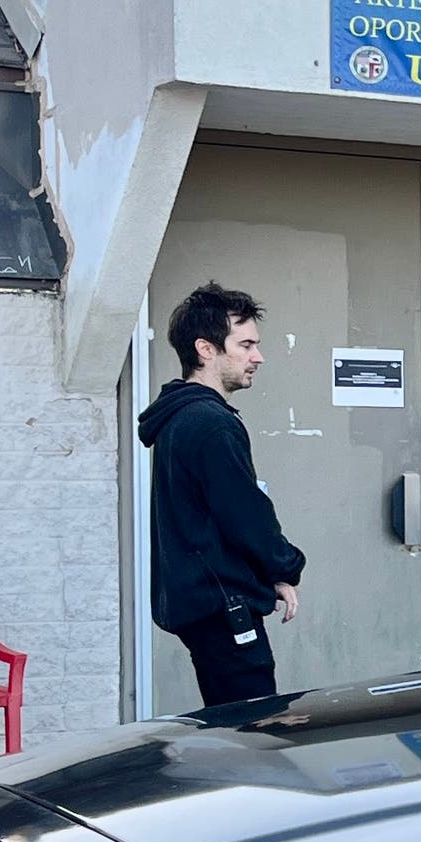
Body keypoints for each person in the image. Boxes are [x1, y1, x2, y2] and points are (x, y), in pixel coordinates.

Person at [140, 282, 305, 707]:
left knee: (232, 724)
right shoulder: (210, 423)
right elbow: (246, 514)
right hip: (223, 606)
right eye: (245, 345)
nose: (258, 357)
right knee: (253, 727)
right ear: (206, 349)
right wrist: (286, 566)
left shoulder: (181, 418)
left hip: (206, 606)